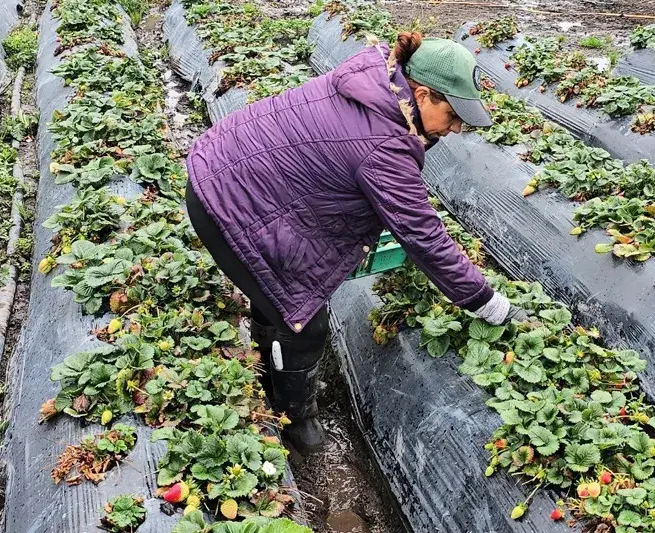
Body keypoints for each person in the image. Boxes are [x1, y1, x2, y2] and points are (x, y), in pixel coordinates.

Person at [185, 32, 525, 453]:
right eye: (454, 116)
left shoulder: (376, 81)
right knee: (304, 322)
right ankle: (295, 419)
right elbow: (423, 235)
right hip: (229, 205)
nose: (456, 128)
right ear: (423, 94)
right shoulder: (384, 143)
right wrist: (484, 300)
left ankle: (272, 370)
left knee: (275, 293)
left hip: (232, 172)